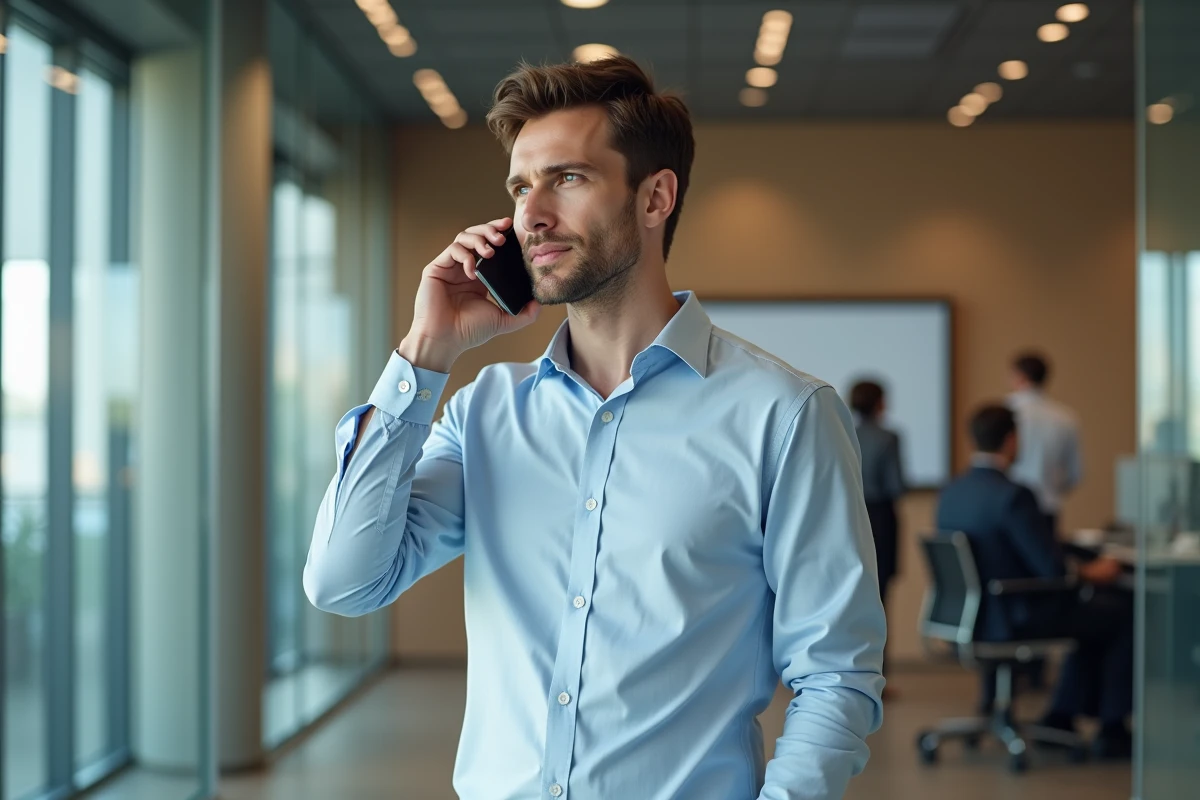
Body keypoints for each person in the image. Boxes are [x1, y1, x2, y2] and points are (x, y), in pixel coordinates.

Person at [303, 57, 884, 799]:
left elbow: (835, 675)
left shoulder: (785, 415)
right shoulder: (486, 412)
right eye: (521, 187)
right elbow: (344, 582)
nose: (531, 216)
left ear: (655, 197)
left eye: (567, 179)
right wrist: (425, 352)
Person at [936, 405, 1133, 759]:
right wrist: (1094, 571)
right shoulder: (1013, 495)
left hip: (970, 616)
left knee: (1093, 615)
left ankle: (1062, 717)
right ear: (1011, 440)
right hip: (1015, 615)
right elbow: (1051, 569)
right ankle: (1111, 728)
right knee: (1119, 613)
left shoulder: (952, 492)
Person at [848, 381, 904, 626]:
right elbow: (896, 486)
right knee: (880, 596)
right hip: (880, 519)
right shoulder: (888, 437)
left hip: (848, 516)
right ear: (880, 403)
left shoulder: (843, 431)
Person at [1008, 352, 1082, 534]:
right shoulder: (1065, 417)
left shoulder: (1005, 411)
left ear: (1019, 376)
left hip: (1008, 508)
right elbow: (1075, 473)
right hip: (1047, 508)